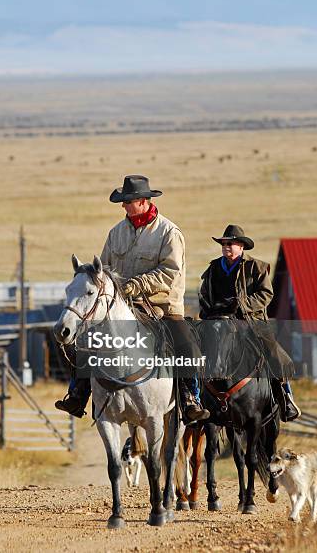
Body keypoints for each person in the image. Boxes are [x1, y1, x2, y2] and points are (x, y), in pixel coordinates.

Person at [56, 174, 210, 422]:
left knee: (187, 346)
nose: (124, 206)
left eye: (127, 201)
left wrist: (136, 285)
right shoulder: (116, 233)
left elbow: (171, 272)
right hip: (120, 306)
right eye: (123, 201)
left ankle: (190, 398)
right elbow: (102, 270)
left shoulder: (169, 232)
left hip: (161, 305)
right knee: (86, 341)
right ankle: (78, 394)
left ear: (142, 201)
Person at [199, 224, 301, 422]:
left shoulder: (257, 267)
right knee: (194, 351)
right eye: (223, 243)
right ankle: (193, 399)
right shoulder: (212, 269)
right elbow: (204, 294)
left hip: (250, 322)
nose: (226, 246)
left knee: (274, 354)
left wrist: (242, 305)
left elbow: (266, 294)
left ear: (241, 247)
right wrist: (209, 311)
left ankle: (285, 398)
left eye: (230, 243)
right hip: (217, 321)